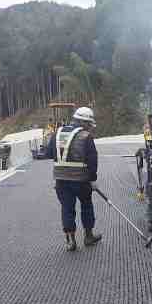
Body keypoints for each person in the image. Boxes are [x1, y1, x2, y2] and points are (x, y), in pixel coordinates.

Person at [45, 106, 102, 251]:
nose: (90, 128)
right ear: (84, 122)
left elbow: (48, 153)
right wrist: (93, 179)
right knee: (86, 205)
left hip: (61, 181)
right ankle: (88, 236)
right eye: (89, 124)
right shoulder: (86, 136)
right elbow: (92, 161)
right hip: (81, 181)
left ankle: (71, 241)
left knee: (67, 208)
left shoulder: (57, 133)